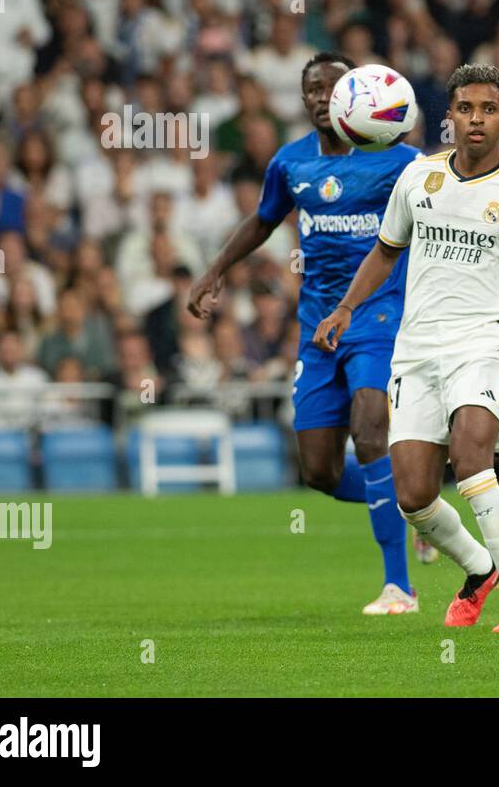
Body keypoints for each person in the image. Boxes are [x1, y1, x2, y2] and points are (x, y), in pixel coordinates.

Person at [314, 64, 499, 633]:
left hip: (481, 346)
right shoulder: (417, 179)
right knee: (414, 497)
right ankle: (479, 568)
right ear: (449, 117)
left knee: (471, 463)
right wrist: (346, 307)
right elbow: (387, 251)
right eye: (465, 108)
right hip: (415, 352)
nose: (476, 119)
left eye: (488, 109)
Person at [188, 52, 421, 616]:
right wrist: (216, 269)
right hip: (318, 325)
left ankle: (400, 587)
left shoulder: (400, 162)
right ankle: (415, 509)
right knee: (319, 470)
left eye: (332, 87)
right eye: (311, 90)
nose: (321, 97)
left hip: (379, 317)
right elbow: (264, 219)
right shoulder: (292, 163)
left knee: (370, 430)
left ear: (354, 94)